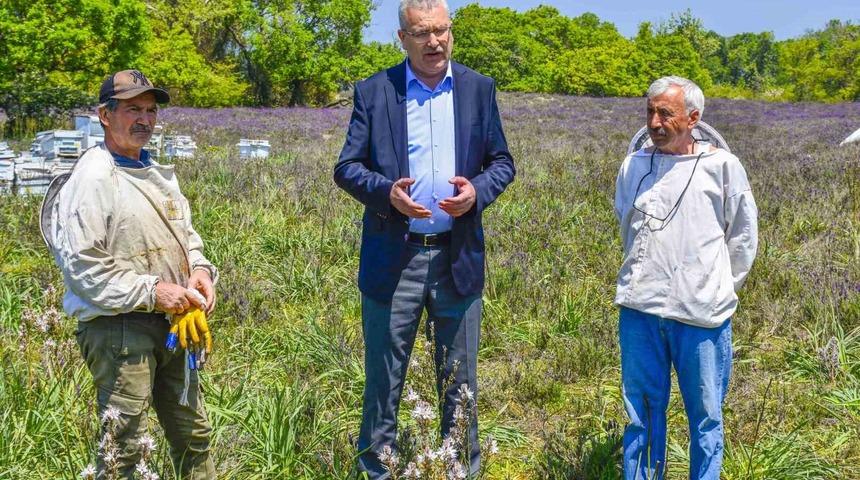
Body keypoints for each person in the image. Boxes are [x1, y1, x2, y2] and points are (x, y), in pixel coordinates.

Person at [333, 0, 515, 477]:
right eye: (421, 33)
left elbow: (503, 163)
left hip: (458, 258)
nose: (434, 41)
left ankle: (460, 471)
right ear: (402, 38)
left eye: (441, 31)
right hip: (396, 260)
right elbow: (347, 167)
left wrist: (477, 192)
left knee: (460, 384)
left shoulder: (478, 88)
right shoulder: (375, 92)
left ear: (451, 32)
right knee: (383, 385)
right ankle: (376, 471)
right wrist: (385, 194)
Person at [49, 69, 217, 479]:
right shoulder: (93, 176)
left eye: (150, 110)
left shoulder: (155, 171)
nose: (144, 119)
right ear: (104, 115)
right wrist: (153, 290)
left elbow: (185, 233)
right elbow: (83, 266)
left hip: (174, 324)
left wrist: (199, 270)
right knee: (122, 446)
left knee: (193, 436)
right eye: (132, 110)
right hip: (119, 327)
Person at [613, 76, 758, 479]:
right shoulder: (634, 164)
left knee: (706, 418)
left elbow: (742, 238)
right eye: (650, 112)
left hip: (701, 317)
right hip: (640, 308)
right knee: (640, 413)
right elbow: (626, 222)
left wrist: (717, 289)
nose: (655, 122)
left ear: (693, 118)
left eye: (666, 113)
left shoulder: (722, 167)